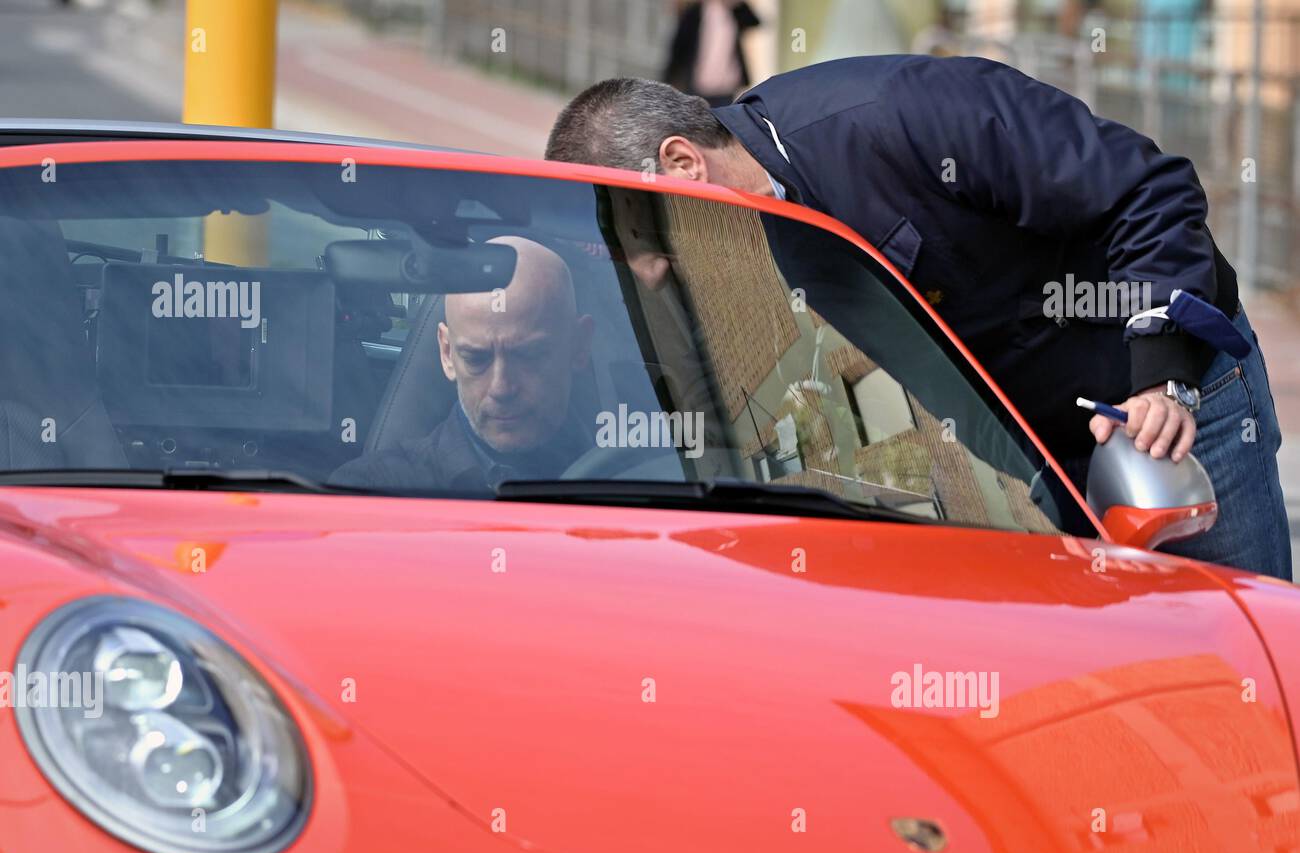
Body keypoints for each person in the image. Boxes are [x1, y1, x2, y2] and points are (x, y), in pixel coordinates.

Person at [543, 57, 1291, 579]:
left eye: (640, 235)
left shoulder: (902, 112)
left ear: (681, 164)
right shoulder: (736, 230)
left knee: (1243, 680)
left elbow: (1146, 191)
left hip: (1178, 414)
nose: (646, 269)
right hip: (1043, 469)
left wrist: (1159, 376)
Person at [331, 236, 595, 492]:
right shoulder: (370, 492)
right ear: (447, 354)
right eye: (476, 358)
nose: (501, 388)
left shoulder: (629, 473)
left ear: (579, 345)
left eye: (528, 355)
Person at [662, 0, 760, 107]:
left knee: (721, 120)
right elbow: (680, 46)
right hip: (698, 84)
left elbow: (754, 22)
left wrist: (736, 4)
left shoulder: (732, 10)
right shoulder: (695, 11)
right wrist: (670, 79)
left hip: (725, 85)